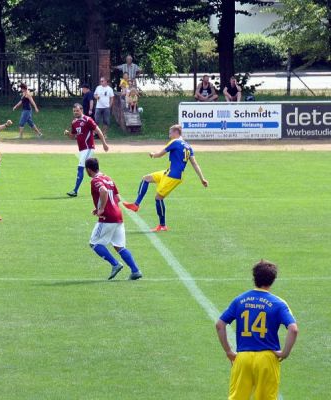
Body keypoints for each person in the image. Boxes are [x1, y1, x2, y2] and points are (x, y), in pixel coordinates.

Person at [216, 260, 298, 400]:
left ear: (254, 277)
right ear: (273, 280)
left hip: (243, 358)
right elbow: (293, 329)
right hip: (267, 358)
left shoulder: (240, 300)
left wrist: (229, 351)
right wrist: (284, 353)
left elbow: (220, 324)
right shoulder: (278, 303)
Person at [122, 124, 208, 232]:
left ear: (176, 132)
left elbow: (160, 154)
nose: (169, 134)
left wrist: (153, 154)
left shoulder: (174, 142)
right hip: (170, 172)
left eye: (170, 132)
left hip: (173, 176)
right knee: (146, 178)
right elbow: (195, 163)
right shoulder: (188, 146)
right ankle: (136, 204)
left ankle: (162, 225)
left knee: (158, 198)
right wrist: (202, 178)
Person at [85, 157, 142, 281]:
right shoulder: (108, 178)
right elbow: (116, 197)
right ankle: (135, 271)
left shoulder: (95, 181)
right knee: (119, 246)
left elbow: (104, 191)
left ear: (88, 169)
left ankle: (115, 264)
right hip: (118, 215)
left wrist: (101, 209)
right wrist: (99, 207)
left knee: (94, 243)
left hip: (107, 217)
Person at [64, 103, 109, 197]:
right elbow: (73, 137)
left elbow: (98, 131)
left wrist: (104, 144)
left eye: (77, 110)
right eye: (74, 111)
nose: (75, 112)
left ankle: (75, 191)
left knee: (80, 167)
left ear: (81, 110)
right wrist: (68, 134)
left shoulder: (88, 120)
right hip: (82, 149)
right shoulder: (74, 122)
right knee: (92, 169)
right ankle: (106, 181)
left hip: (88, 147)